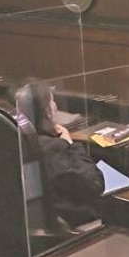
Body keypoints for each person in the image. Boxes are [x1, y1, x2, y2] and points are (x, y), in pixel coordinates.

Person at [15, 83, 105, 226]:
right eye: (52, 101)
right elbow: (95, 185)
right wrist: (71, 144)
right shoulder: (55, 147)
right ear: (47, 111)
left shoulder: (21, 141)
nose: (55, 105)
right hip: (75, 221)